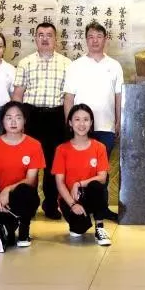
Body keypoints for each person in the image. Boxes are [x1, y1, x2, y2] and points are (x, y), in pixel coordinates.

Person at [63, 21, 124, 222]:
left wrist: (119, 121)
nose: (94, 40)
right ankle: (80, 206)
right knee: (83, 168)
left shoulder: (114, 65)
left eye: (99, 36)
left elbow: (119, 96)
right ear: (86, 40)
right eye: (90, 36)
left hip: (106, 126)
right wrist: (69, 124)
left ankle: (102, 209)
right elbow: (69, 97)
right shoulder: (76, 65)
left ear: (105, 39)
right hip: (81, 128)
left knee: (101, 171)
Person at [13, 22, 71, 219]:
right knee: (27, 163)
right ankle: (26, 204)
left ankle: (50, 204)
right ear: (35, 38)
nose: (45, 38)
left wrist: (68, 122)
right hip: (31, 116)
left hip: (56, 116)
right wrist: (17, 121)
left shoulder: (67, 64)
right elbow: (18, 94)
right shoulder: (25, 62)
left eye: (49, 35)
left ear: (56, 39)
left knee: (53, 165)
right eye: (40, 34)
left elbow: (68, 97)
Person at [0, 101, 43, 248]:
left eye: (18, 117)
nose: (13, 122)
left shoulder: (34, 145)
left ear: (24, 120)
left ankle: (24, 229)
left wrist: (8, 190)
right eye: (9, 117)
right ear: (2, 121)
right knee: (0, 240)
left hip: (21, 198)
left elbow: (30, 180)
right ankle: (8, 225)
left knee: (25, 190)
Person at [52, 104, 112, 246]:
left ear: (91, 123)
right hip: (70, 198)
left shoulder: (99, 147)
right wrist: (72, 204)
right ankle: (76, 216)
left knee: (97, 185)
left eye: (86, 119)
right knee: (78, 229)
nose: (82, 124)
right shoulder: (62, 149)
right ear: (70, 123)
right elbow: (59, 182)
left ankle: (99, 227)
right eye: (77, 119)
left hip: (90, 194)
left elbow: (102, 177)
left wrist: (78, 184)